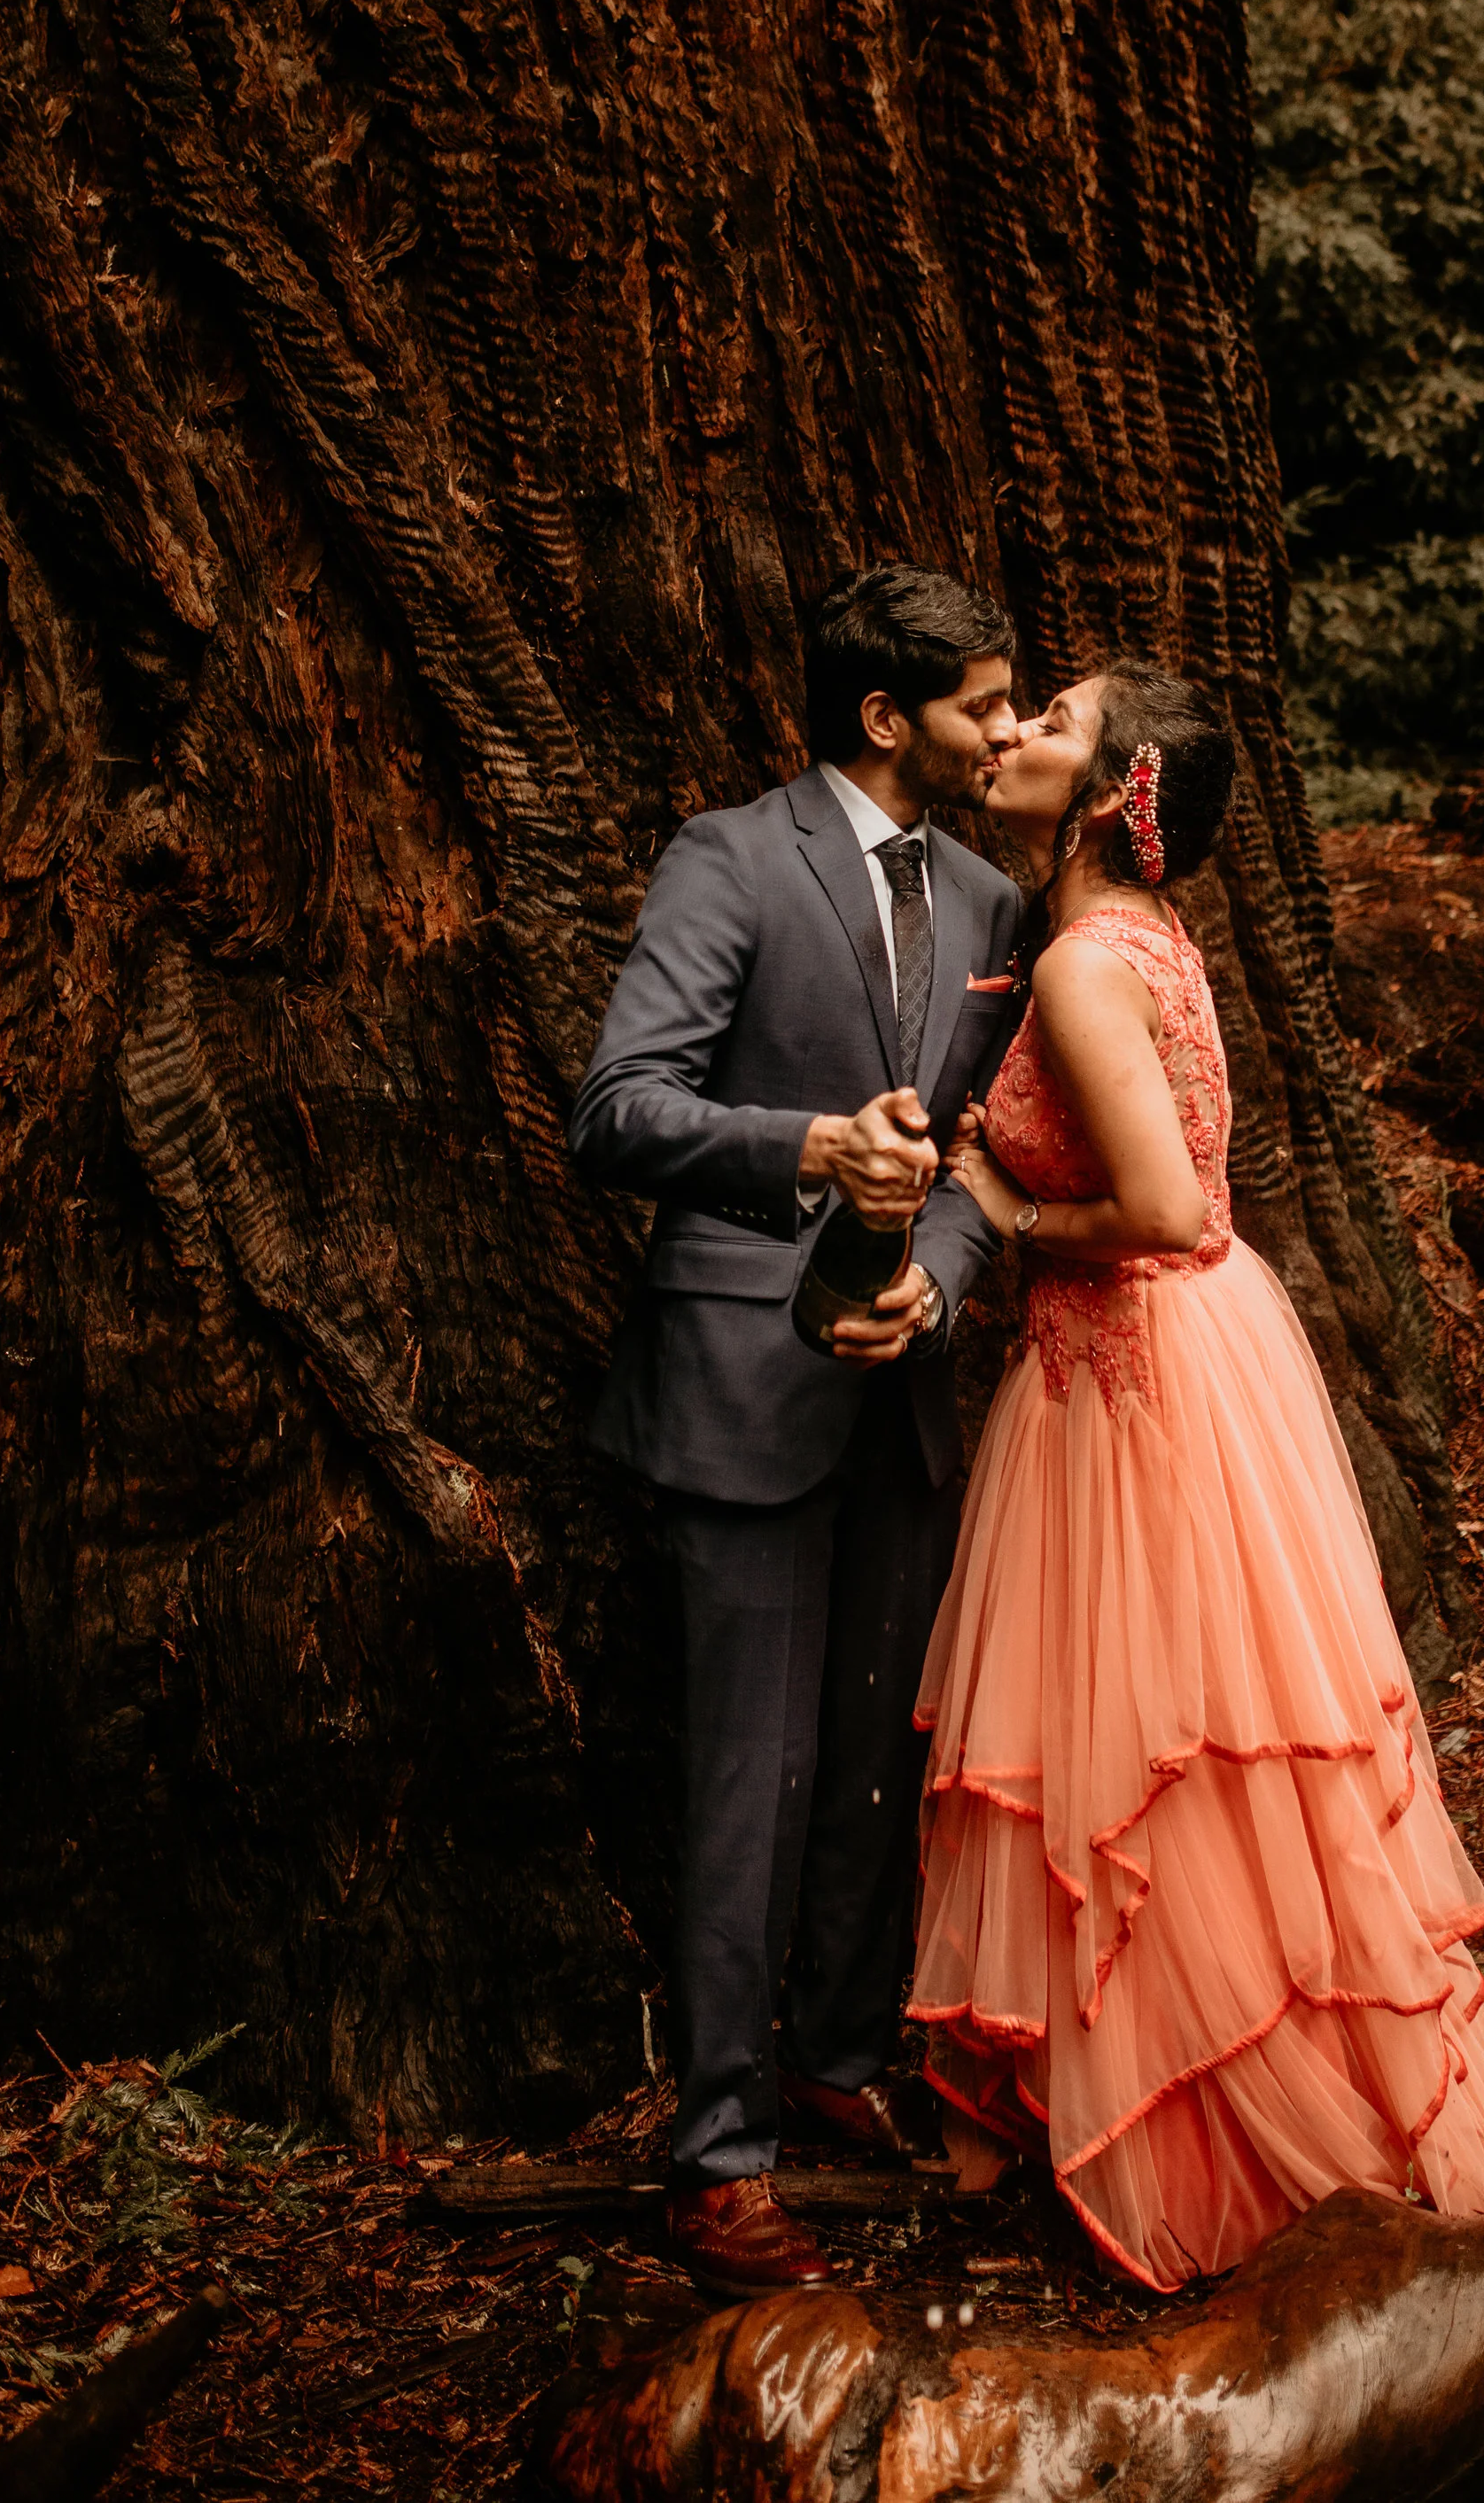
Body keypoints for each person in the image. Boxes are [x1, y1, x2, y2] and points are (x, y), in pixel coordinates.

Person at [913, 663, 1484, 2289]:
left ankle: (1225, 2102)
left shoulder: (1078, 965)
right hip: (1159, 1364)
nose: (1015, 737)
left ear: (1107, 788)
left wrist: (995, 1203)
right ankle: (1103, 2068)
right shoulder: (1151, 944)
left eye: (1050, 723)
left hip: (1133, 1371)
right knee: (1166, 1740)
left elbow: (1162, 1210)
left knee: (1161, 1749)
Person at [571, 567, 1026, 2298]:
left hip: (902, 1394)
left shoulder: (991, 899)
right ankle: (718, 2153)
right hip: (739, 1390)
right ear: (882, 717)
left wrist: (946, 1277)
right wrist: (808, 1150)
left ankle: (835, 2066)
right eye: (982, 702)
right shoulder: (728, 858)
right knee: (744, 1782)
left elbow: (991, 1150)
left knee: (864, 1765)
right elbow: (617, 1109)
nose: (1005, 728)